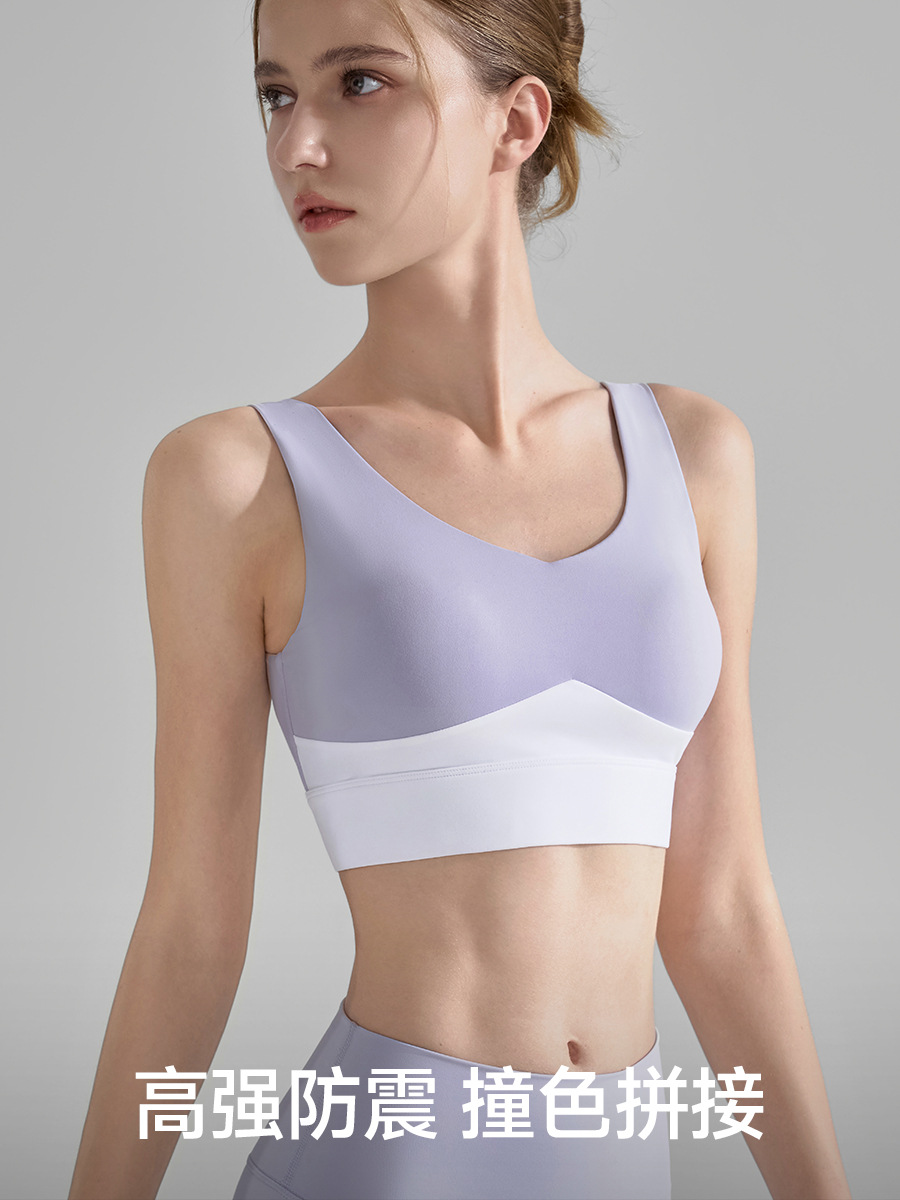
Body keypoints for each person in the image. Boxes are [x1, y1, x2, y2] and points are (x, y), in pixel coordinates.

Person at [67, 1, 853, 1198]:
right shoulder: (239, 481)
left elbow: (724, 907)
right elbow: (190, 927)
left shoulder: (695, 459)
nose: (296, 146)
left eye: (359, 82)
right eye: (276, 94)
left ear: (516, 120)